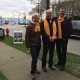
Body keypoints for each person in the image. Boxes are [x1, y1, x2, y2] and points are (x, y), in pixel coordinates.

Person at [25, 13, 41, 80]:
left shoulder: (38, 25)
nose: (36, 19)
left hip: (38, 44)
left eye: (37, 18)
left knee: (36, 58)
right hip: (32, 45)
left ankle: (35, 68)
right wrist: (28, 46)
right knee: (34, 58)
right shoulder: (29, 26)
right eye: (35, 18)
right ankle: (32, 72)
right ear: (32, 19)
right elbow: (27, 36)